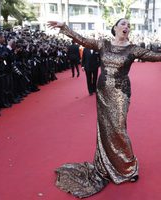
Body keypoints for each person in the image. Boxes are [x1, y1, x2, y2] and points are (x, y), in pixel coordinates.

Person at [47, 18, 161, 198]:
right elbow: (82, 40)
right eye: (123, 24)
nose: (127, 27)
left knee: (118, 128)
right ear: (115, 28)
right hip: (103, 92)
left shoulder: (133, 49)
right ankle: (108, 164)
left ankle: (128, 167)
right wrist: (64, 27)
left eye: (128, 25)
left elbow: (155, 56)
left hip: (121, 92)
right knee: (106, 128)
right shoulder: (103, 44)